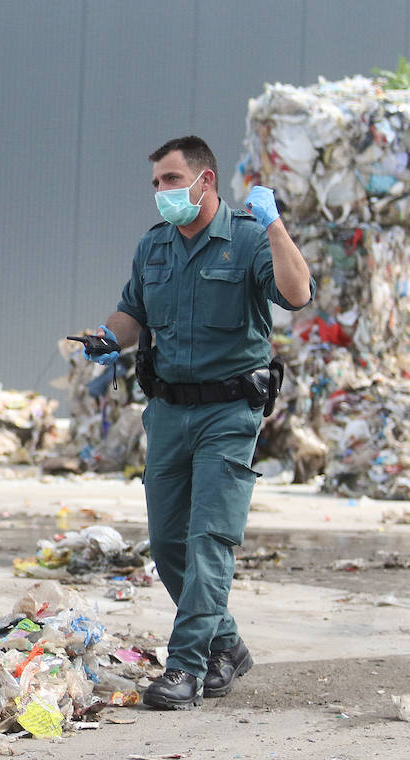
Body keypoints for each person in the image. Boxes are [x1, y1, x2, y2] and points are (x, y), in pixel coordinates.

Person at [83, 135, 312, 709]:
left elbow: (297, 293)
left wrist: (277, 228)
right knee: (167, 546)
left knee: (209, 540)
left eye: (170, 180)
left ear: (204, 181)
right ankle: (227, 645)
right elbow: (133, 311)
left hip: (230, 412)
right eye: (157, 183)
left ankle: (185, 667)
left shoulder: (250, 239)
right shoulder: (154, 246)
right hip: (167, 412)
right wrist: (110, 338)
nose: (161, 192)